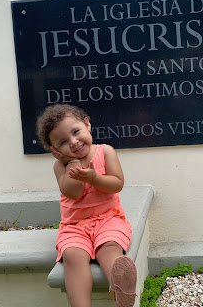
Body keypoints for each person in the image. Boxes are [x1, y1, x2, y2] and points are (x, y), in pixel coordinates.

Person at [36, 104, 137, 307]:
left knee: (109, 247)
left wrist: (94, 178)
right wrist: (74, 163)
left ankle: (121, 287)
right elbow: (73, 192)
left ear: (87, 124)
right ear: (55, 151)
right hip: (75, 226)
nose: (74, 142)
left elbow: (117, 184)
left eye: (76, 132)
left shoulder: (105, 151)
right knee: (73, 255)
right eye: (64, 142)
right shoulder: (60, 166)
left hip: (109, 218)